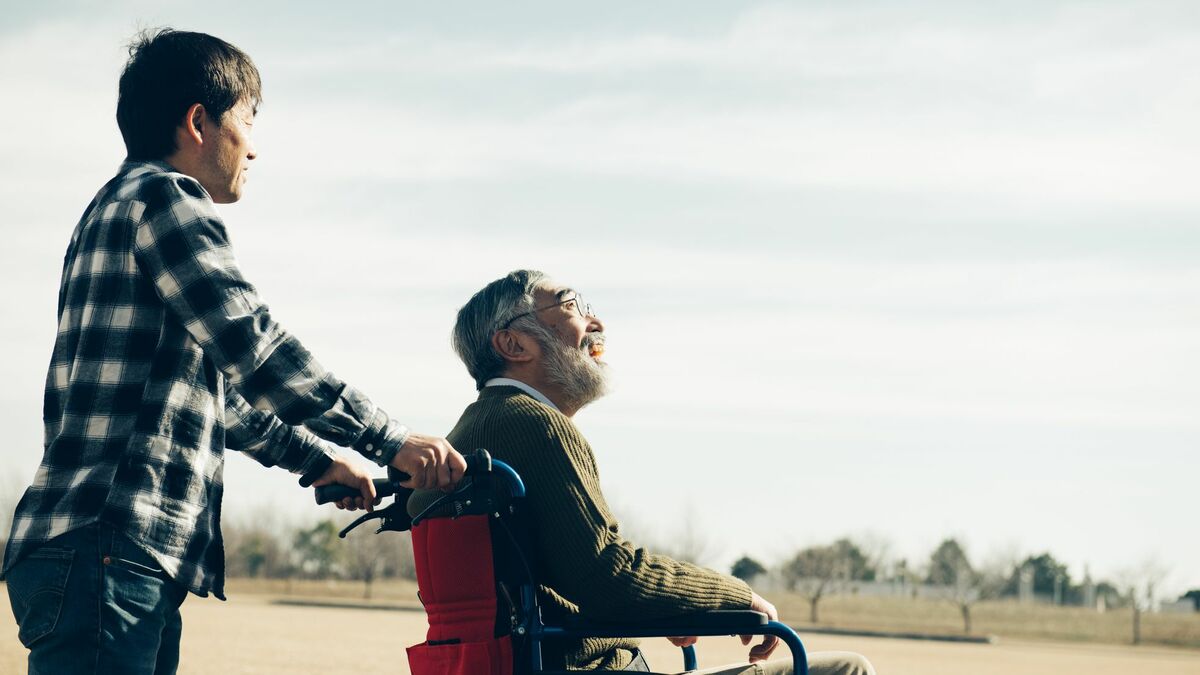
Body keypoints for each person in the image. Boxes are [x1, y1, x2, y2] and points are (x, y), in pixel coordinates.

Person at [2, 28, 467, 674]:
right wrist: (388, 438)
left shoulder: (110, 210)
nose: (255, 146)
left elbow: (220, 397)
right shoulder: (168, 199)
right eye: (248, 119)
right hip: (111, 546)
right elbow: (254, 344)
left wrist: (317, 461)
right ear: (199, 122)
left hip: (102, 551)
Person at [413, 269, 875, 674]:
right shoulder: (537, 425)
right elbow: (607, 575)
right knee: (848, 669)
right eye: (572, 305)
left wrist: (672, 608)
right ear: (513, 344)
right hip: (584, 667)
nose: (597, 323)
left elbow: (556, 582)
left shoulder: (464, 437)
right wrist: (736, 597)